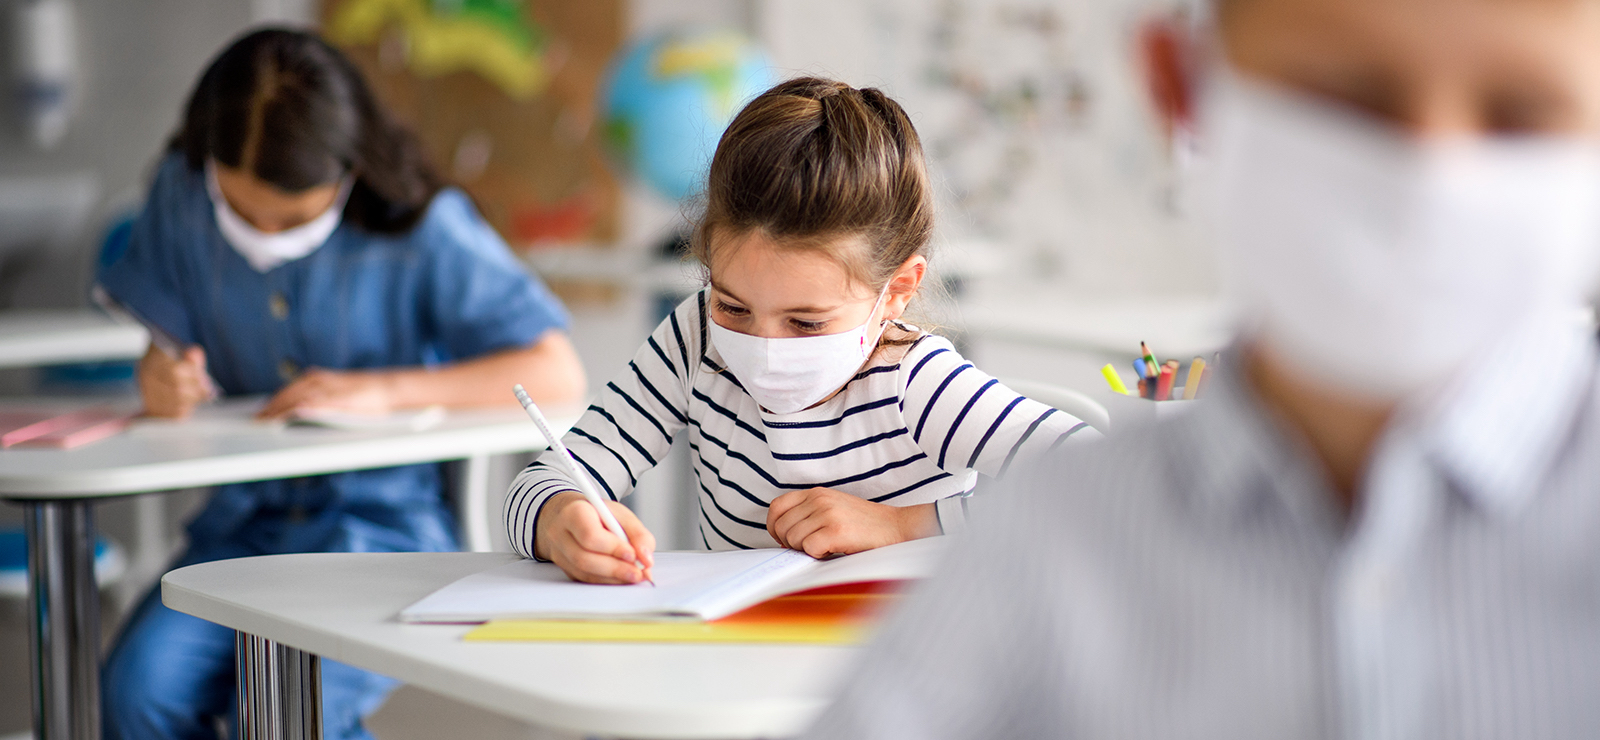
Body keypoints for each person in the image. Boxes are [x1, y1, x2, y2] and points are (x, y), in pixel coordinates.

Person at [801, 0, 1600, 737]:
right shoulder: (1046, 543)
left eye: (1523, 114)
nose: (1430, 178)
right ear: (1183, 86)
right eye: (1348, 97)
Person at [97, 29, 584, 740]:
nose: (265, 235)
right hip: (241, 530)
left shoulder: (422, 224)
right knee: (137, 693)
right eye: (241, 213)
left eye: (292, 219)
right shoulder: (180, 191)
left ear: (349, 170)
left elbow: (555, 369)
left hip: (382, 531)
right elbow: (162, 341)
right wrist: (159, 376)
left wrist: (386, 391)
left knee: (290, 712)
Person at [504, 77, 1098, 584]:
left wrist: (901, 525)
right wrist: (560, 519)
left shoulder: (915, 381)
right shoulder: (694, 339)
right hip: (741, 661)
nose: (763, 348)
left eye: (806, 323)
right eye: (734, 307)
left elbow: (1102, 483)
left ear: (896, 291)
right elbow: (545, 479)